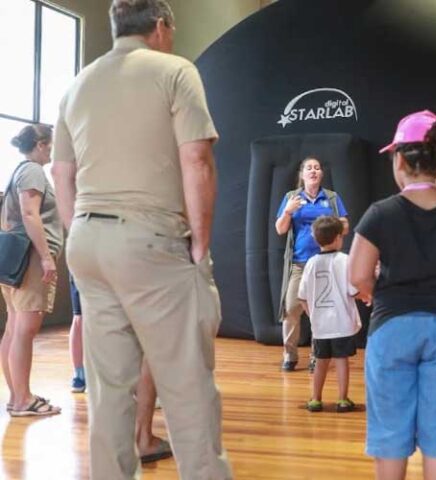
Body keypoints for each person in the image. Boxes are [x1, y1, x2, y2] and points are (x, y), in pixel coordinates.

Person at [51, 1, 232, 478]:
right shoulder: (175, 71)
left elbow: (62, 173)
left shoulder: (76, 85)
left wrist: (78, 235)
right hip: (151, 240)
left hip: (88, 243)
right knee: (187, 387)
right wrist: (201, 243)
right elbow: (197, 160)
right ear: (160, 26)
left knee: (109, 390)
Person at [349, 110, 436, 480]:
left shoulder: (379, 214)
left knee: (390, 437)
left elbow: (357, 275)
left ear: (399, 160)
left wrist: (374, 294)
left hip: (392, 328)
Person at [69, 277, 173, 463]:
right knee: (150, 339)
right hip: (131, 262)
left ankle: (112, 441)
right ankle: (141, 438)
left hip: (86, 258)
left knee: (103, 331)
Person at [0, 124, 63, 417]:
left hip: (16, 259)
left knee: (14, 329)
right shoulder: (33, 171)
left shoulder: (20, 171)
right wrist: (47, 257)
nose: (53, 149)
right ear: (40, 144)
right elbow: (29, 213)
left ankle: (17, 397)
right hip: (30, 260)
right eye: (51, 144)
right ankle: (23, 399)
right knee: (24, 330)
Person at [275, 157, 349, 372]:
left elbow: (345, 227)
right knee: (291, 309)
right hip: (299, 263)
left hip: (325, 264)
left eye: (317, 167)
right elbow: (280, 229)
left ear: (321, 174)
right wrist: (288, 211)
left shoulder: (332, 198)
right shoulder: (291, 197)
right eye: (309, 168)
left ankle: (318, 356)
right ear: (302, 174)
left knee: (319, 312)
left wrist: (329, 224)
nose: (314, 171)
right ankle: (290, 356)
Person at [297, 216, 361, 413]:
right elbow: (354, 291)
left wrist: (312, 315)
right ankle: (342, 399)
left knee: (320, 361)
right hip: (342, 323)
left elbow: (302, 296)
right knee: (342, 360)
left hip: (320, 325)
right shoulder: (345, 261)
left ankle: (315, 399)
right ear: (338, 238)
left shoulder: (311, 263)